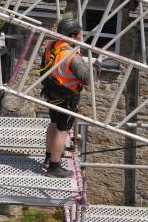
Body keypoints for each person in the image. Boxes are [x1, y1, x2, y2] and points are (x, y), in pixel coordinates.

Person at [40, 18, 102, 178]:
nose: (82, 36)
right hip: (67, 98)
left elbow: (44, 70)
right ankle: (54, 167)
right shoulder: (71, 56)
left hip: (52, 93)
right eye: (80, 33)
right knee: (62, 131)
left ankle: (48, 157)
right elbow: (88, 79)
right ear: (73, 35)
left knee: (53, 124)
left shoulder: (52, 46)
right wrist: (98, 63)